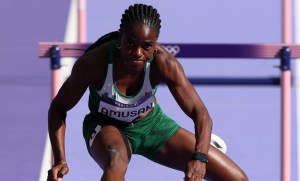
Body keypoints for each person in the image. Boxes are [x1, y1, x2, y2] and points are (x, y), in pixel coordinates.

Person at [47, 3, 248, 181]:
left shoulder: (165, 64)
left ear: (155, 46)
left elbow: (200, 113)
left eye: (147, 46)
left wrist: (200, 158)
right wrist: (60, 160)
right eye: (130, 43)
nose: (137, 53)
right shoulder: (94, 63)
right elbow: (58, 108)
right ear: (120, 37)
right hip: (105, 126)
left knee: (238, 178)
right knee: (115, 161)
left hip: (151, 126)